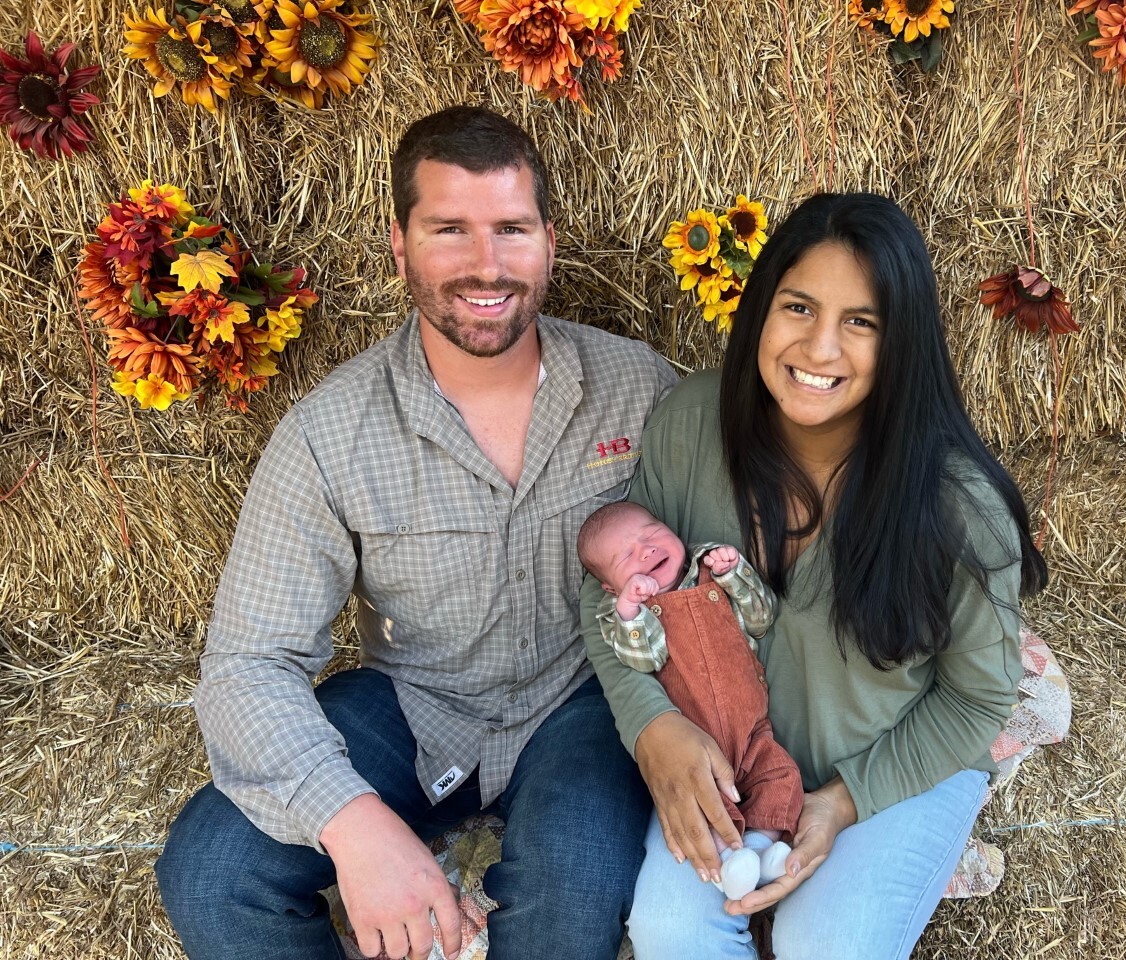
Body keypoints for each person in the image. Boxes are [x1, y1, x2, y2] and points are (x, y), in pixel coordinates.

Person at [154, 106, 678, 960]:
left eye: (511, 228)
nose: (486, 264)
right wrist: (354, 826)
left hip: (577, 700)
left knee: (577, 884)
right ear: (400, 245)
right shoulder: (328, 435)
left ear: (549, 239)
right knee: (213, 873)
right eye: (449, 229)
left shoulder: (639, 388)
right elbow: (249, 664)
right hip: (414, 700)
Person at [581, 192, 1049, 959]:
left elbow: (976, 699)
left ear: (902, 343)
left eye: (860, 322)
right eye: (798, 307)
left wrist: (843, 801)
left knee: (824, 944)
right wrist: (653, 729)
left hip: (889, 763)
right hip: (736, 766)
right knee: (668, 929)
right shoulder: (695, 420)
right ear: (761, 308)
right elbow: (606, 595)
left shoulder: (956, 506)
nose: (820, 348)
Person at [576, 501, 804, 899]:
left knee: (781, 776)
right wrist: (630, 611)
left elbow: (761, 618)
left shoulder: (710, 567)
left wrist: (734, 573)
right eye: (627, 555)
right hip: (697, 745)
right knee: (702, 803)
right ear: (611, 587)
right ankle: (728, 863)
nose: (645, 550)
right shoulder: (629, 615)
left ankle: (761, 848)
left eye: (650, 533)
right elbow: (643, 659)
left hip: (752, 729)